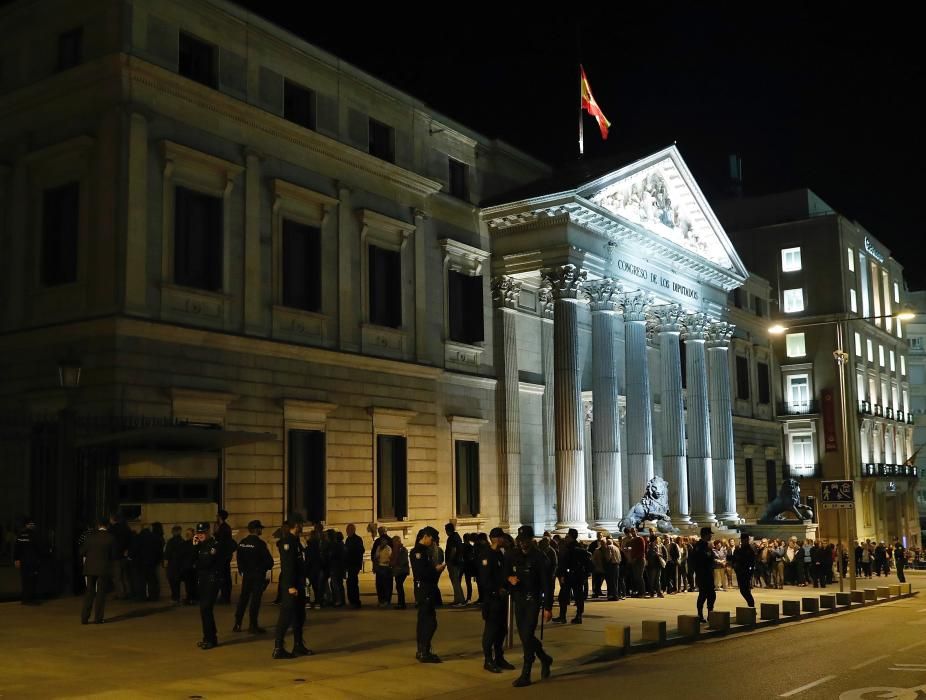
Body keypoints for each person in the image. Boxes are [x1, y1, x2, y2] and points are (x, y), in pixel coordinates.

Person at [506, 525, 554, 688]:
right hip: (519, 599)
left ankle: (526, 673)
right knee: (524, 635)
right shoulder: (515, 555)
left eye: (525, 541)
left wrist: (548, 607)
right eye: (520, 541)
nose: (522, 544)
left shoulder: (540, 558)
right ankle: (545, 658)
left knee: (527, 636)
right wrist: (509, 579)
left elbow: (547, 585)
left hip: (533, 599)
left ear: (532, 540)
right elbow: (506, 571)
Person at [273, 518, 312, 659]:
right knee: (286, 616)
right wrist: (290, 586)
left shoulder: (295, 541)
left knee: (299, 616)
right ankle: (278, 647)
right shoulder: (288, 542)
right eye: (301, 524)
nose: (302, 526)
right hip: (292, 585)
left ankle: (298, 644)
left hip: (299, 583)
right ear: (296, 526)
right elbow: (288, 566)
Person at [478, 527, 515, 674]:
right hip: (491, 599)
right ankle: (488, 659)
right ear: (496, 539)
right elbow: (484, 580)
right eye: (502, 538)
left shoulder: (500, 554)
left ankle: (499, 657)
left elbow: (502, 574)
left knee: (502, 630)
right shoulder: (486, 555)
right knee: (491, 631)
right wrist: (496, 589)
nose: (504, 540)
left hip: (501, 599)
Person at [411, 526, 445, 662]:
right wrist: (436, 570)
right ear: (425, 536)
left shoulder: (425, 551)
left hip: (427, 589)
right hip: (424, 589)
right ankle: (423, 651)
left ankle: (423, 650)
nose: (432, 542)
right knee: (429, 622)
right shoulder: (418, 552)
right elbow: (422, 573)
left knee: (426, 620)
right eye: (431, 538)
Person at [234, 520, 274, 634]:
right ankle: (253, 625)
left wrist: (242, 571)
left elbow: (239, 559)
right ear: (256, 530)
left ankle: (237, 623)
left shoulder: (242, 542)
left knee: (243, 599)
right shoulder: (260, 544)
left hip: (247, 575)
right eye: (260, 528)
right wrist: (263, 568)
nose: (261, 530)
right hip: (257, 575)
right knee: (255, 600)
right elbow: (269, 561)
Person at [193, 522, 223, 649]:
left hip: (212, 579)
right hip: (203, 579)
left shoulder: (213, 545)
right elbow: (192, 561)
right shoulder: (200, 546)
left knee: (206, 608)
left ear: (208, 532)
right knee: (204, 610)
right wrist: (194, 546)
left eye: (203, 533)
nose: (200, 535)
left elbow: (206, 562)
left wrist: (198, 562)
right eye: (199, 533)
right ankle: (208, 637)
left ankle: (211, 638)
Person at [80, 516, 114, 624]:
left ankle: (84, 618)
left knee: (89, 592)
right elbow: (114, 554)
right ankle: (98, 618)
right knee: (100, 593)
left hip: (90, 568)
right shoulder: (110, 537)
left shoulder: (90, 537)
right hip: (103, 568)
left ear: (98, 525)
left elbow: (82, 551)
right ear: (107, 525)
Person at [13, 517, 41, 605]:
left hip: (25, 561)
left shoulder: (21, 535)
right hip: (31, 561)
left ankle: (25, 599)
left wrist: (16, 559)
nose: (32, 525)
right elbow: (38, 549)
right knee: (31, 581)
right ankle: (30, 600)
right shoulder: (34, 535)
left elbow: (17, 548)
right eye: (31, 524)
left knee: (25, 580)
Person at [692, 526, 716, 623]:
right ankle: (700, 614)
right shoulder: (699, 546)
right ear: (705, 535)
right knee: (703, 594)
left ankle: (710, 613)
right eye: (710, 534)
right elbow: (701, 559)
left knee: (712, 594)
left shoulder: (706, 545)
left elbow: (711, 557)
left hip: (708, 573)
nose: (711, 535)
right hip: (702, 574)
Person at [215, 510, 235, 604]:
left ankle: (225, 597)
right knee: (225, 576)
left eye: (217, 516)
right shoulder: (225, 527)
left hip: (223, 555)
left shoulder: (223, 528)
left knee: (224, 576)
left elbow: (221, 542)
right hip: (225, 555)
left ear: (220, 517)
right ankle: (225, 596)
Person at [732, 532, 756, 607]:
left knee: (745, 590)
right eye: (743, 539)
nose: (744, 541)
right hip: (740, 573)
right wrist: (736, 568)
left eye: (746, 539)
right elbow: (734, 560)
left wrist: (750, 572)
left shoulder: (750, 550)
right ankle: (751, 606)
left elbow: (752, 562)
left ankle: (751, 606)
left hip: (746, 573)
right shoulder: (738, 549)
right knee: (743, 590)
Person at [445, 522, 466, 606]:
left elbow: (453, 550)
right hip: (457, 562)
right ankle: (458, 599)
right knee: (456, 582)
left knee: (455, 582)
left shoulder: (452, 538)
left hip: (454, 563)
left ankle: (460, 600)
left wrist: (450, 560)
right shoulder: (456, 537)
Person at [344, 523, 365, 608]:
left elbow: (360, 550)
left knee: (353, 582)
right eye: (347, 530)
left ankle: (356, 601)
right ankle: (351, 600)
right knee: (350, 582)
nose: (348, 531)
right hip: (349, 564)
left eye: (349, 530)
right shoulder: (348, 539)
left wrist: (350, 551)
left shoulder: (357, 539)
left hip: (354, 564)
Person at [164, 525, 185, 604]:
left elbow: (167, 553)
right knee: (177, 582)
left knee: (172, 582)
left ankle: (174, 597)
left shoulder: (171, 541)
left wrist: (166, 562)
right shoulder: (182, 541)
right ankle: (177, 597)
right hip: (179, 565)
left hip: (172, 565)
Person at [391, 535, 410, 609]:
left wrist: (396, 564)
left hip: (402, 570)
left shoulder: (403, 549)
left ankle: (402, 604)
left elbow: (403, 560)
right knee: (399, 586)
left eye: (395, 542)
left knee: (399, 586)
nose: (393, 543)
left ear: (398, 541)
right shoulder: (395, 549)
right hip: (397, 570)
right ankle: (400, 603)